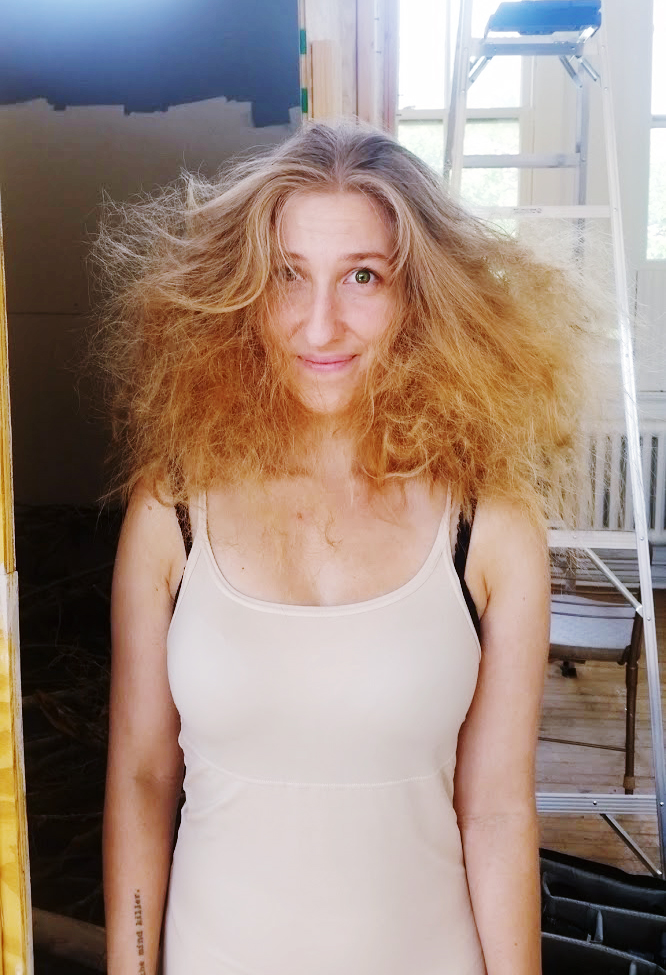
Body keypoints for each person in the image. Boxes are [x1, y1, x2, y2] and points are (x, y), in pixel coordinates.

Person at [100, 120, 593, 975]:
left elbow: (497, 811)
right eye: (288, 275)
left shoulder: (488, 525)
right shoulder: (172, 507)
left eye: (363, 276)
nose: (319, 324)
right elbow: (142, 778)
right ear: (243, 291)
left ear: (419, 297)